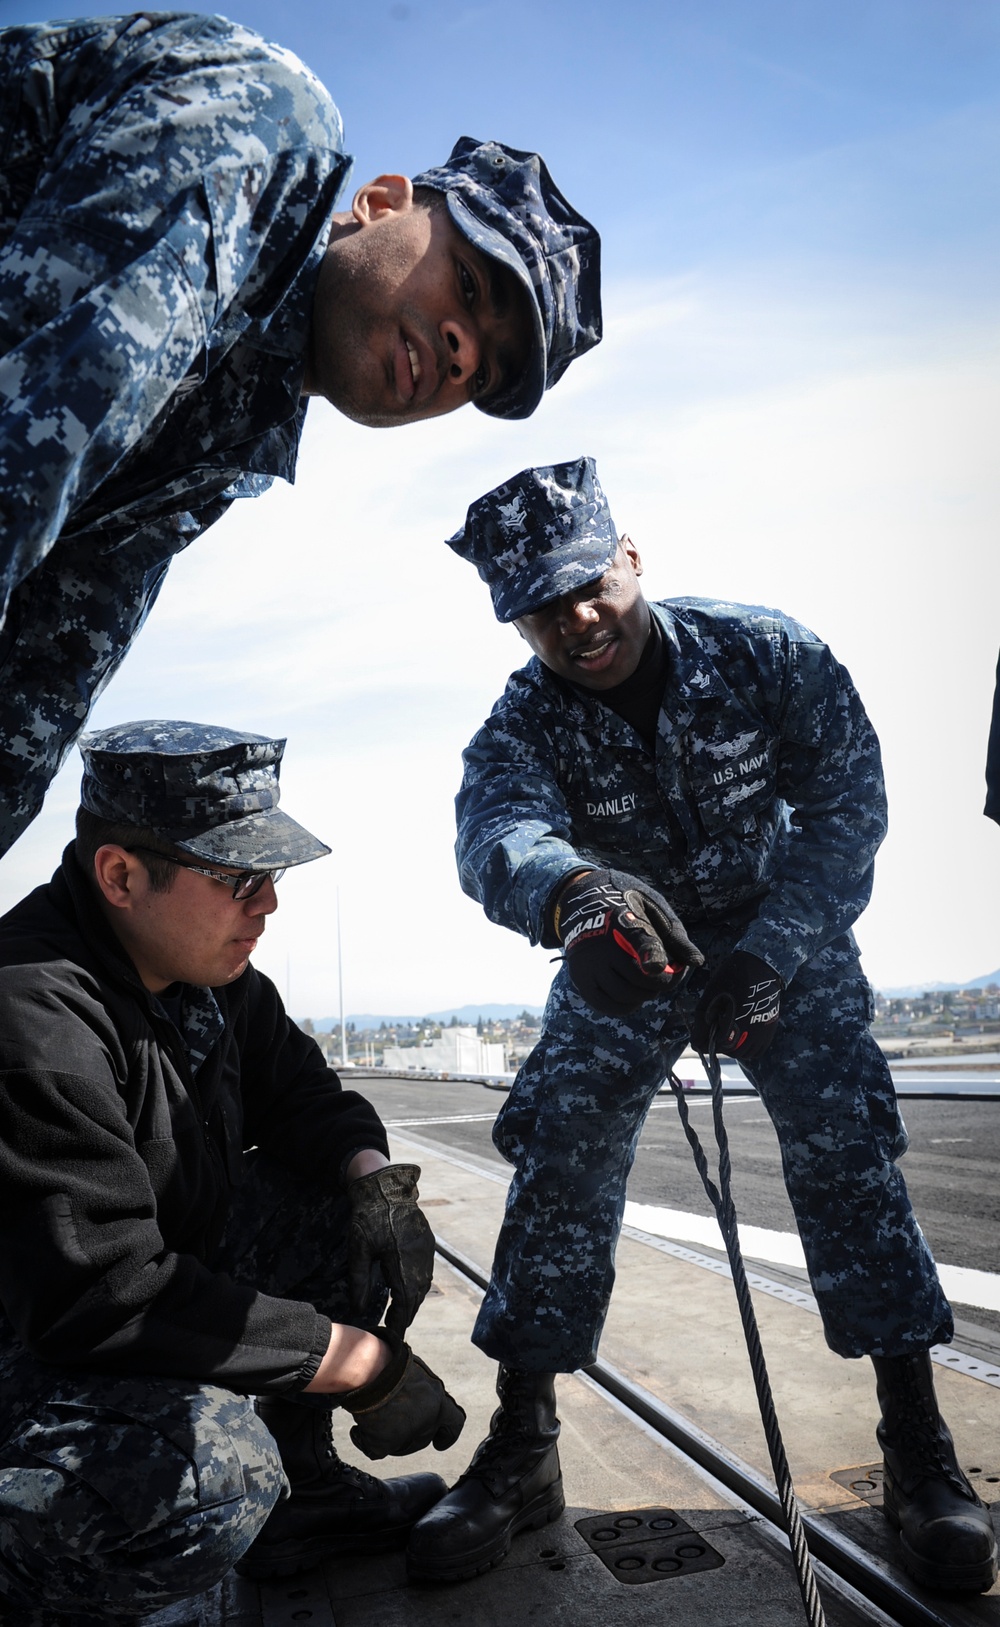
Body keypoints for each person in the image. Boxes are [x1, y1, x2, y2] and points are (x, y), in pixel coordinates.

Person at [405, 456, 998, 1597]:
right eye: (540, 606)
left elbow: (846, 804)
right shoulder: (521, 721)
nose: (576, 620)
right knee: (559, 1154)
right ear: (512, 620)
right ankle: (524, 1444)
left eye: (589, 584)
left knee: (850, 1155)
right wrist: (575, 897)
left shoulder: (765, 652)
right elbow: (497, 829)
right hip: (626, 950)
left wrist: (773, 955)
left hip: (781, 938)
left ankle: (916, 1447)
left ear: (632, 559)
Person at [0, 11, 602, 857]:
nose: (462, 353)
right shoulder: (270, 126)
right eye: (467, 283)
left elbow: (43, 682)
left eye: (484, 375)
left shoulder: (231, 429)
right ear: (382, 202)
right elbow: (27, 444)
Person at [0, 719, 466, 1620]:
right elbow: (105, 1294)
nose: (269, 906)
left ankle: (304, 1501)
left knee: (335, 1205)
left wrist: (375, 1180)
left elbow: (304, 1097)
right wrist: (359, 1364)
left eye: (273, 877)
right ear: (122, 876)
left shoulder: (201, 971)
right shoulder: (31, 1013)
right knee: (212, 1470)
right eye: (239, 879)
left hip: (110, 1304)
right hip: (33, 1344)